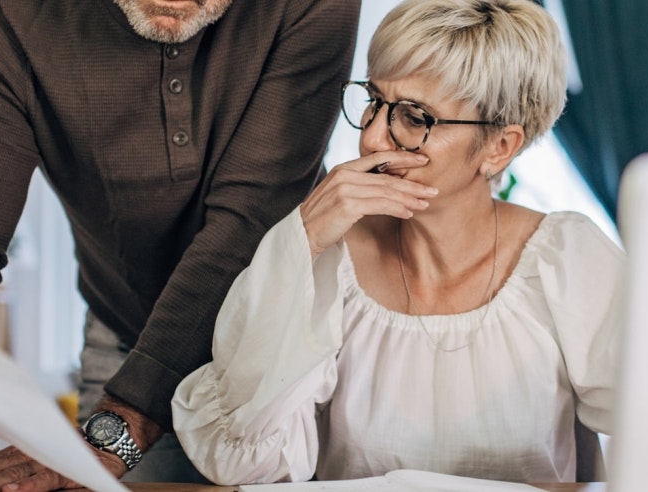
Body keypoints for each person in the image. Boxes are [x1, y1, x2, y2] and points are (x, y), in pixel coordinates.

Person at [0, 0, 360, 489]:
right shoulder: (11, 21)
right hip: (125, 336)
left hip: (285, 346)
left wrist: (128, 417)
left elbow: (251, 221)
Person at [171, 0, 624, 485]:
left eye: (413, 117)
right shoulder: (331, 260)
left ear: (499, 147)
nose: (371, 138)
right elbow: (242, 460)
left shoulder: (567, 260)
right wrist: (299, 243)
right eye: (373, 101)